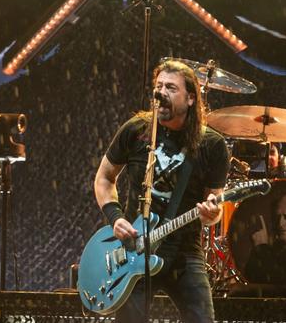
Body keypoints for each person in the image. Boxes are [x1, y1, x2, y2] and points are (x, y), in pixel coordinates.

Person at [94, 59, 230, 322]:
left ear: (191, 98)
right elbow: (104, 178)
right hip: (135, 251)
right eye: (158, 86)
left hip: (184, 253)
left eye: (171, 88)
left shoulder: (211, 144)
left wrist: (210, 214)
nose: (161, 93)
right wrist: (116, 217)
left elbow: (215, 207)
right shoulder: (136, 130)